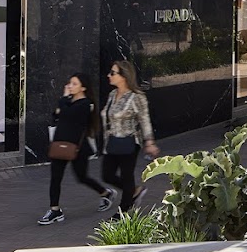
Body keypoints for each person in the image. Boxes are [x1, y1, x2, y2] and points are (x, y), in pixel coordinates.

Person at [38, 73, 113, 225]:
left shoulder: (86, 104)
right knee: (55, 178)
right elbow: (56, 115)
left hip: (77, 148)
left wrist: (63, 101)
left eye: (74, 84)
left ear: (83, 87)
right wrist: (63, 106)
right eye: (69, 83)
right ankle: (55, 210)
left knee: (81, 177)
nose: (69, 86)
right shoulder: (69, 102)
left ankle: (105, 192)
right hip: (59, 145)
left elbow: (66, 114)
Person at [101, 61, 159, 215]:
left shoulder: (137, 97)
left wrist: (150, 142)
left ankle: (123, 212)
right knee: (107, 174)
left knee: (127, 175)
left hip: (129, 141)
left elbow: (144, 119)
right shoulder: (112, 95)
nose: (109, 75)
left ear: (124, 76)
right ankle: (134, 191)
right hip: (112, 141)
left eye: (113, 73)